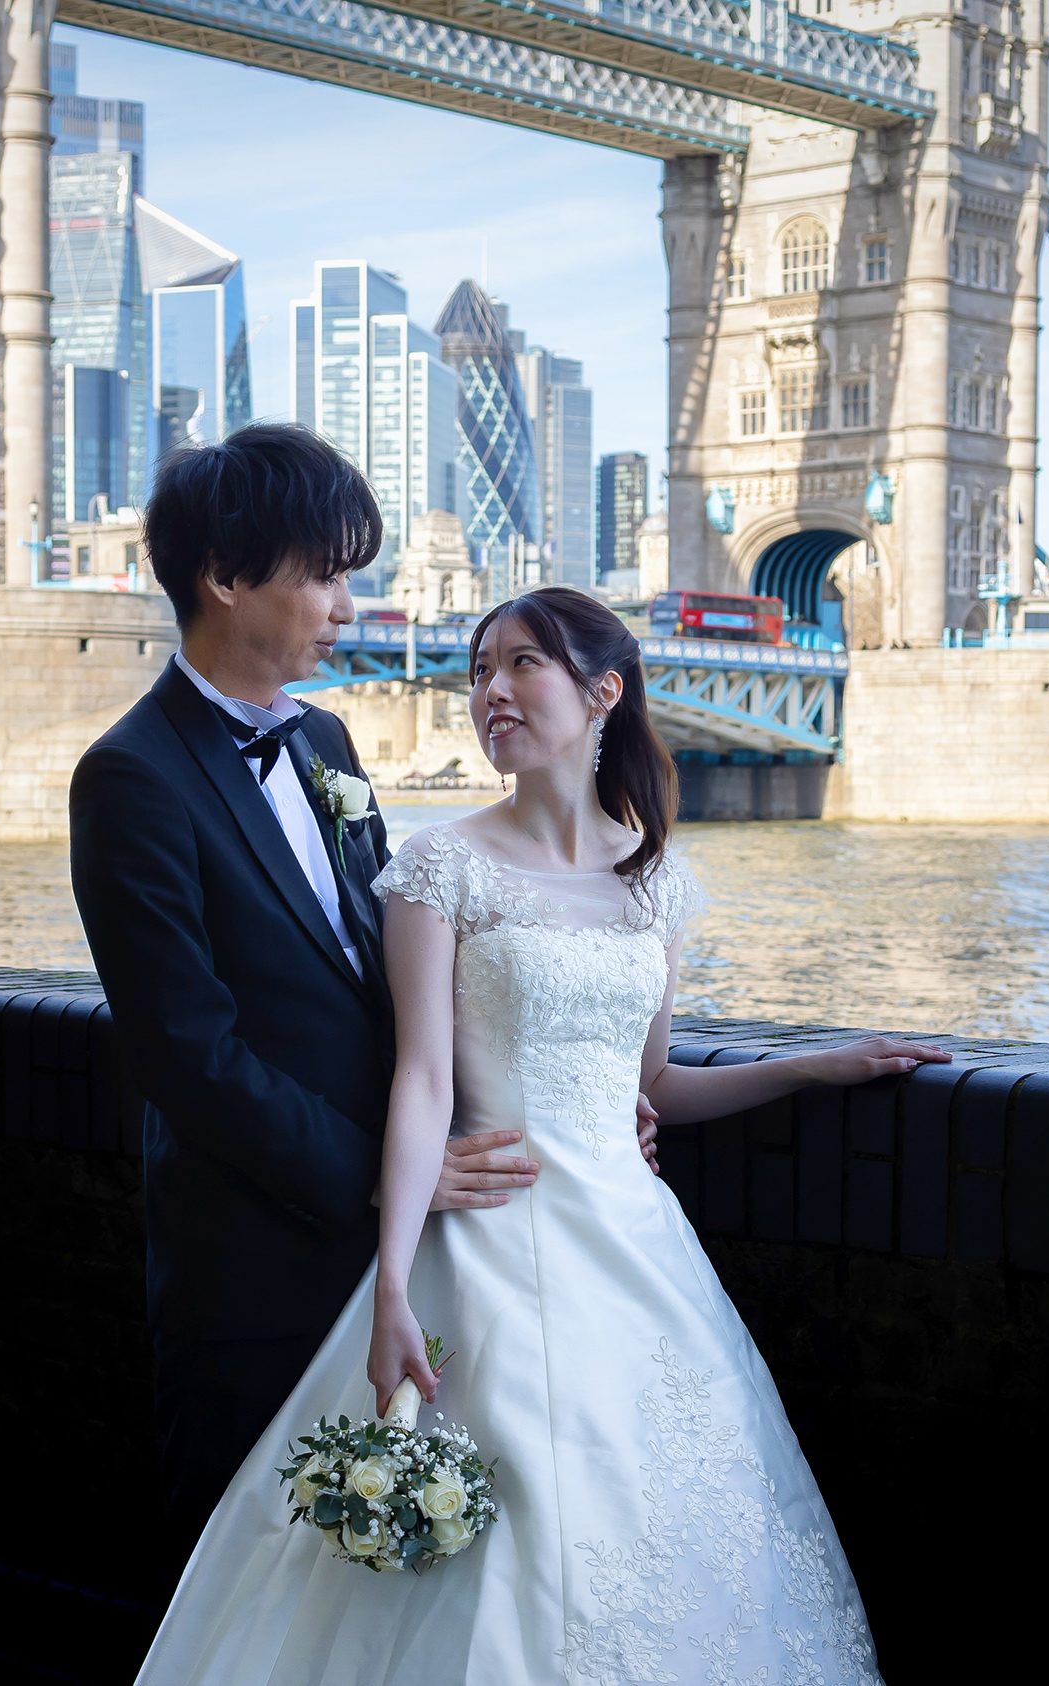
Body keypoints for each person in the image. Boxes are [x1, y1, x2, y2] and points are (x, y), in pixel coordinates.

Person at [134, 586, 949, 1683]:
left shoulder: (651, 877)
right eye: (478, 672)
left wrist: (810, 1067)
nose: (491, 693)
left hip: (635, 1247)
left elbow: (648, 1083)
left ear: (603, 691)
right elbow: (421, 1082)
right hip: (487, 1247)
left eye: (522, 665)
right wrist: (389, 1292)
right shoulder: (436, 870)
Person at [69, 426, 655, 1545]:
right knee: (248, 1584)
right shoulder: (130, 778)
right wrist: (396, 1178)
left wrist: (539, 1101)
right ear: (227, 578)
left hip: (417, 1260)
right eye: (327, 575)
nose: (347, 607)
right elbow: (187, 1058)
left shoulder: (328, 743)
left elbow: (391, 978)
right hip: (256, 1274)